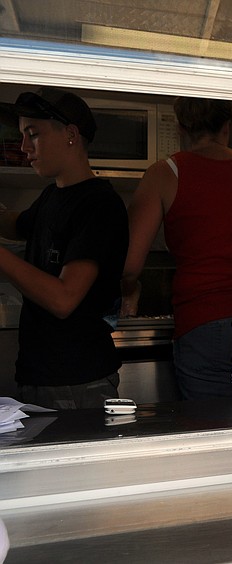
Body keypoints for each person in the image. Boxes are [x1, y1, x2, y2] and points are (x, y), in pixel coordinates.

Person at [122, 97, 232, 400]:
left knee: (214, 430)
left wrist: (130, 289)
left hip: (207, 320)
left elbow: (129, 265)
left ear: (180, 127)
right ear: (228, 125)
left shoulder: (165, 172)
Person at [0, 87, 129, 409]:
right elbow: (16, 224)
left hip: (77, 381)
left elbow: (63, 299)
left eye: (33, 135)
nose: (24, 147)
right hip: (40, 375)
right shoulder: (51, 196)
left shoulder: (99, 204)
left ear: (70, 134)